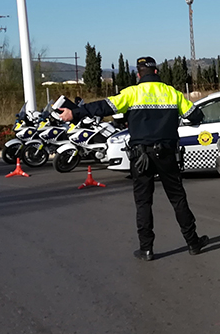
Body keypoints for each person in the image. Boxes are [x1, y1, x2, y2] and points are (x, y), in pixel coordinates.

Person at [60, 56, 209, 261]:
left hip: (140, 156)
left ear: (138, 75)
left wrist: (75, 113)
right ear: (156, 73)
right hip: (166, 154)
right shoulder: (172, 93)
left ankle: (146, 249)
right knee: (177, 198)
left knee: (143, 203)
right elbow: (196, 116)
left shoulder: (131, 93)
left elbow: (103, 107)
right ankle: (193, 242)